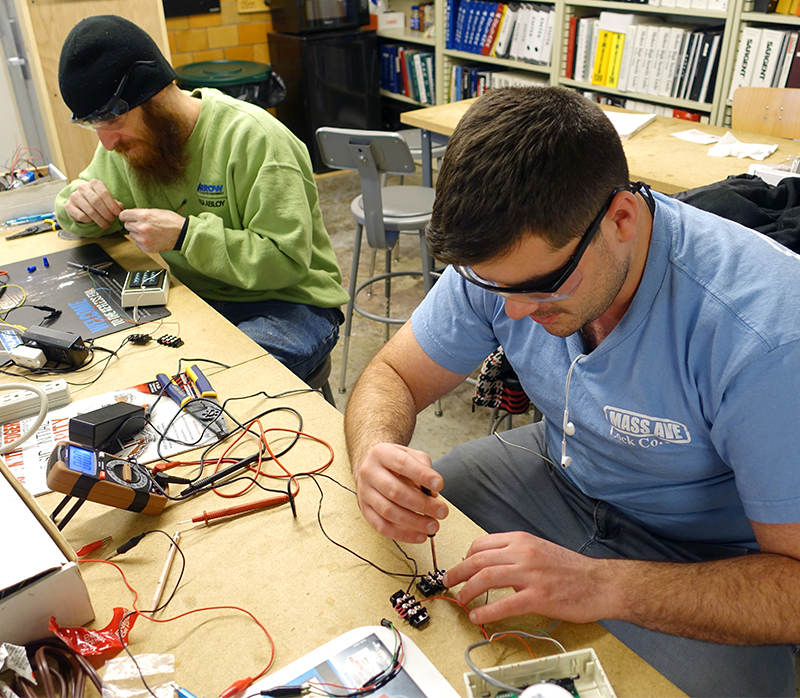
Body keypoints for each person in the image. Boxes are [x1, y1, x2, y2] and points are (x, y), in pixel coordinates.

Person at [343, 86, 800, 697]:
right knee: (408, 547)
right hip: (565, 469)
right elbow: (392, 376)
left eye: (543, 286)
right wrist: (375, 452)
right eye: (488, 286)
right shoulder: (511, 264)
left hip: (708, 553)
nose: (511, 311)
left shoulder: (764, 335)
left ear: (621, 220)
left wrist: (602, 584)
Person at [54, 15, 348, 381]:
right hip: (203, 300)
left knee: (214, 384)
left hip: (292, 304)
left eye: (110, 121)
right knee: (128, 369)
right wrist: (77, 206)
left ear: (154, 94)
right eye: (92, 124)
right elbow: (74, 202)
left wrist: (186, 236)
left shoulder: (257, 139)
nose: (106, 142)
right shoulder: (132, 144)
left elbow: (286, 262)